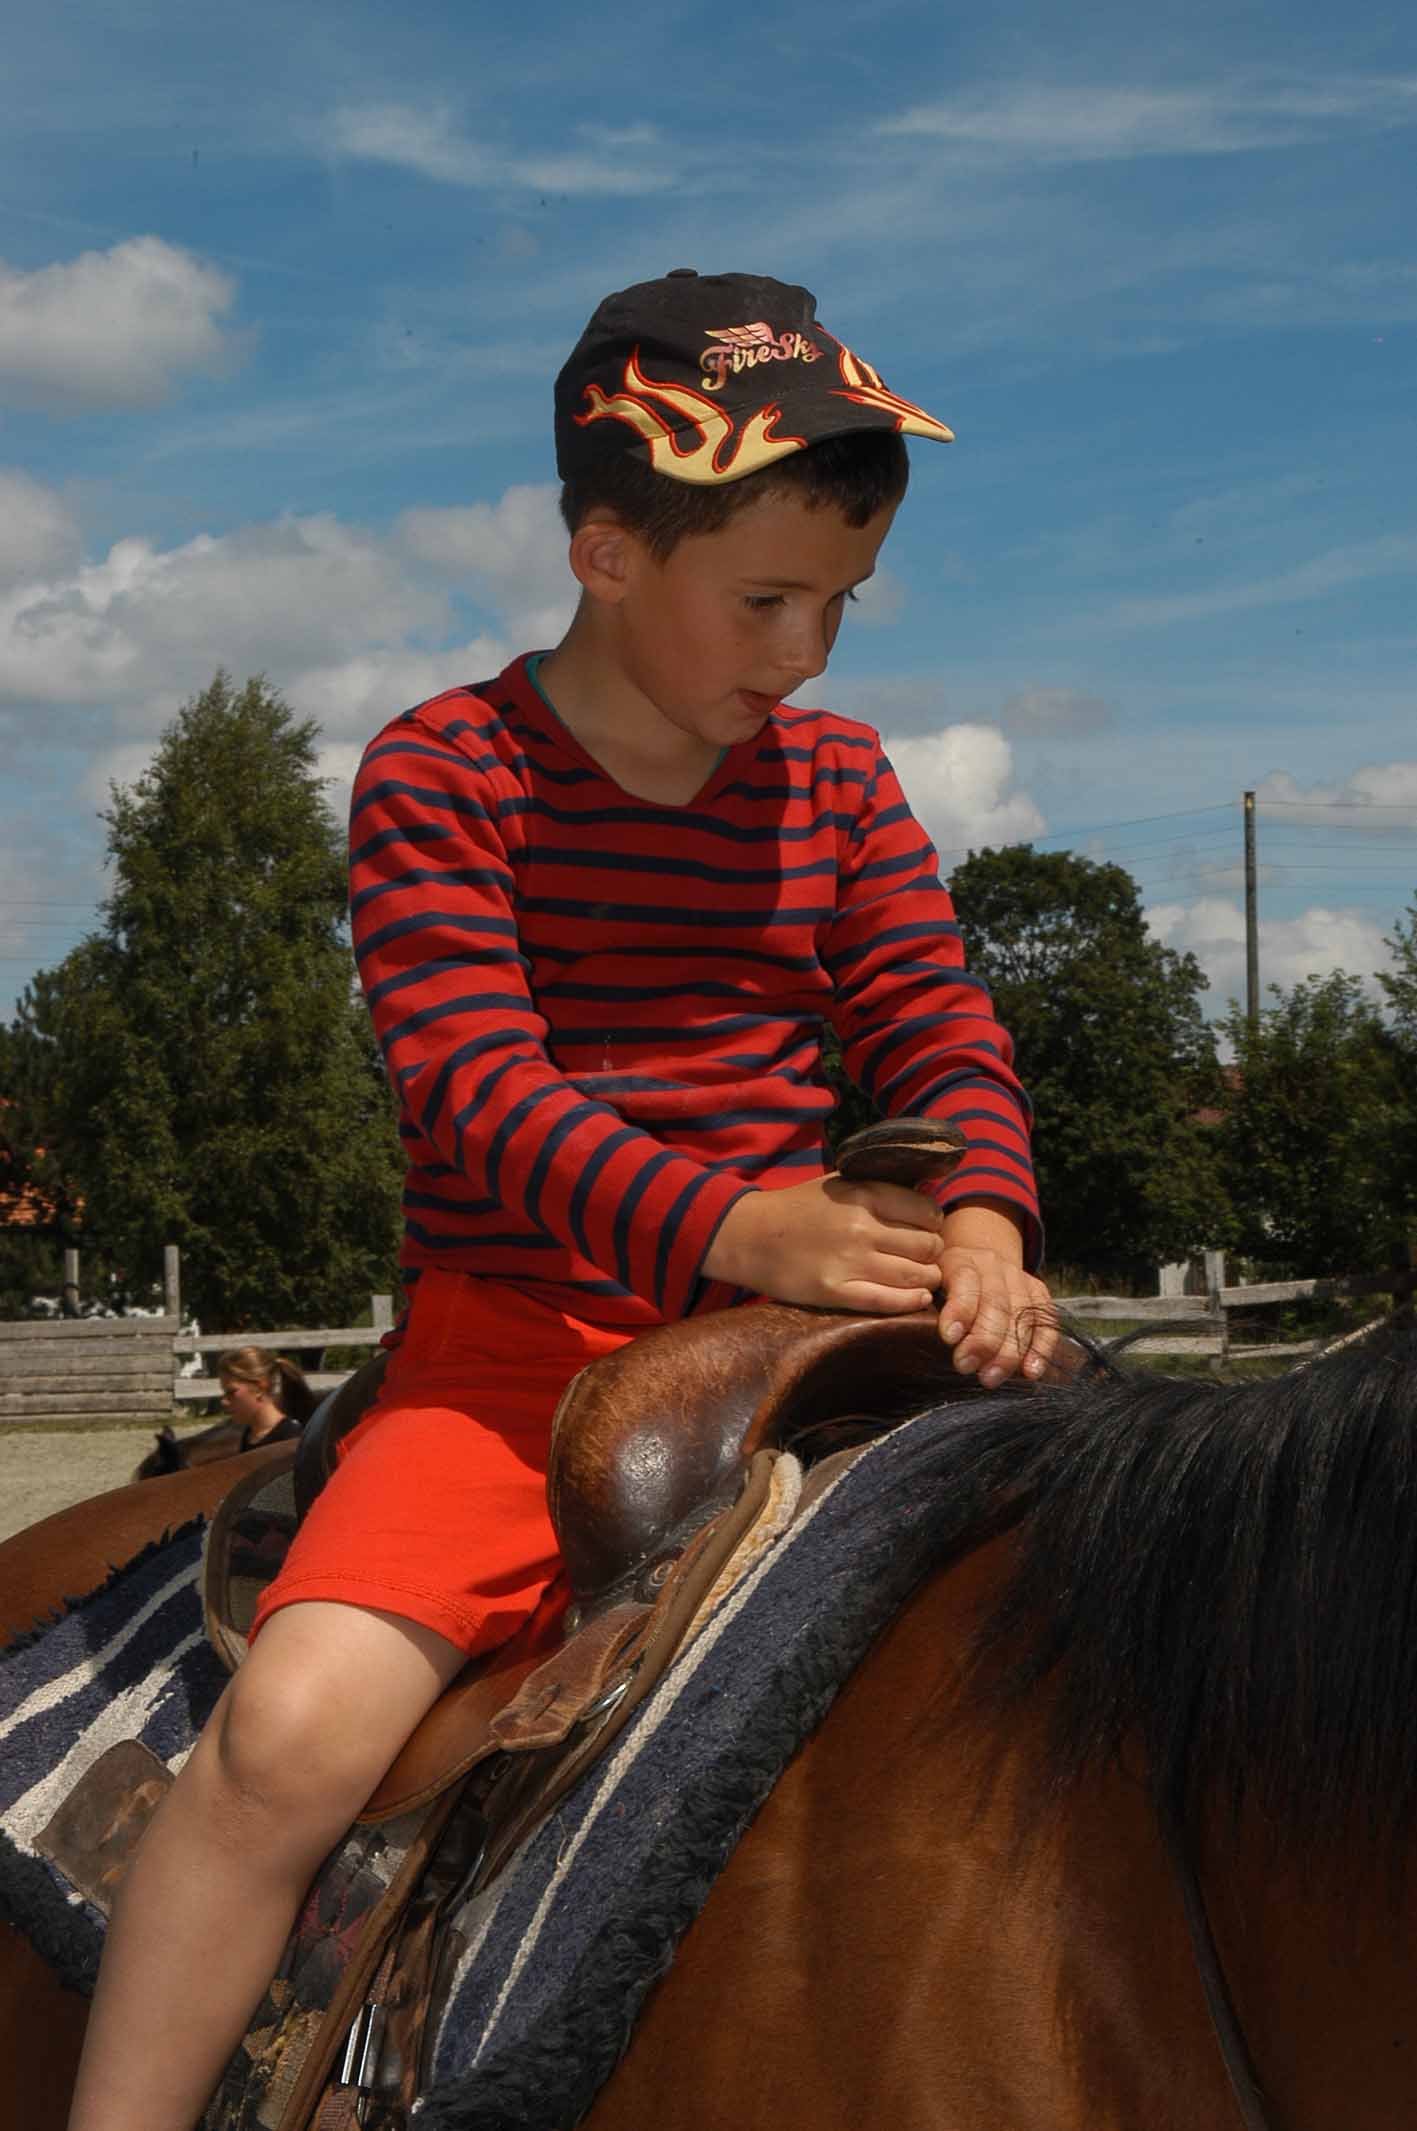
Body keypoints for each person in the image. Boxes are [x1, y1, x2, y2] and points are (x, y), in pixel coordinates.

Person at [66, 268, 1056, 2131]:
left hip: (804, 1333)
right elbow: (475, 1086)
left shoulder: (840, 782)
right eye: (764, 601)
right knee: (288, 1739)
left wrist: (987, 1224)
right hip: (521, 1351)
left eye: (840, 603)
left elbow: (940, 1024)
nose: (809, 654)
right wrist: (732, 1223)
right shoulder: (448, 773)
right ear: (605, 552)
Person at [216, 1345, 316, 1449]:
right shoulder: (248, 1436)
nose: (224, 1401)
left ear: (259, 1388)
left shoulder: (291, 1438)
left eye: (231, 1392)